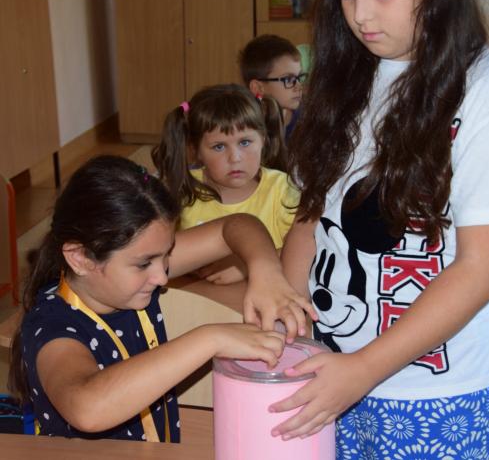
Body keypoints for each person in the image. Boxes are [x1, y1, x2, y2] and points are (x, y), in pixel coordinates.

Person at [264, 0, 489, 458]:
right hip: (328, 370)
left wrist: (363, 369)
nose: (360, 15)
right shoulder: (342, 78)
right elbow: (312, 218)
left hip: (435, 394)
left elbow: (482, 268)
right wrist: (289, 315)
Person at [8, 155, 315, 442]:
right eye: (145, 263)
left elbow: (236, 225)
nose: (162, 277)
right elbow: (88, 408)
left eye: (167, 254)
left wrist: (265, 270)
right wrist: (211, 338)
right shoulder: (53, 324)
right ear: (81, 258)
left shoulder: (132, 273)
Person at [152, 83, 300, 284]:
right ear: (196, 150)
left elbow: (306, 250)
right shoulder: (180, 191)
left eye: (245, 142)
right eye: (219, 146)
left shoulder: (284, 191)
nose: (235, 158)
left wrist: (247, 264)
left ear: (263, 140)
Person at [239, 34, 307, 141]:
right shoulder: (245, 128)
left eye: (299, 77)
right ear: (258, 88)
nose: (299, 87)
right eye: (288, 79)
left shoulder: (309, 120)